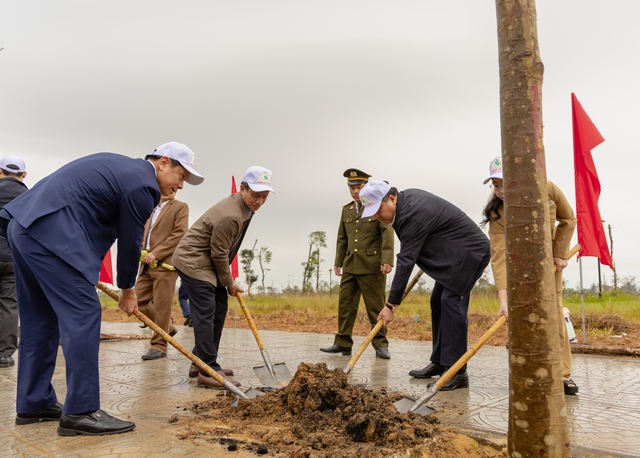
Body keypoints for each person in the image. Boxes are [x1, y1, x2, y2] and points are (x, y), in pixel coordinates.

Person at [0, 141, 203, 436]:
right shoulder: (143, 185)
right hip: (51, 235)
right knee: (83, 313)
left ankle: (34, 403)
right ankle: (82, 411)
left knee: (40, 321)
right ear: (162, 163)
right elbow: (131, 240)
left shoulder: (123, 168)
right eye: (181, 175)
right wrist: (128, 290)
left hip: (25, 229)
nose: (181, 185)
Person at [360, 180, 490, 391]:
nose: (376, 216)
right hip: (452, 255)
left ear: (391, 198)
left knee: (450, 302)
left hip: (469, 254)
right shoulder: (405, 205)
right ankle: (441, 361)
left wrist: (391, 305)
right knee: (437, 300)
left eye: (377, 209)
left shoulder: (411, 213)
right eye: (372, 212)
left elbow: (406, 260)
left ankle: (457, 372)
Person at [480, 156, 578, 395]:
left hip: (548, 267)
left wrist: (560, 253)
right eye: (495, 185)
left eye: (505, 183)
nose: (501, 190)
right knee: (523, 318)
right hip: (518, 272)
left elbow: (568, 218)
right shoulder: (498, 214)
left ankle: (562, 374)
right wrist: (503, 301)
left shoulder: (547, 189)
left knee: (553, 314)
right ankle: (528, 370)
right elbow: (499, 256)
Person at [172, 166, 274, 388]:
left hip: (208, 261)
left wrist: (226, 282)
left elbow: (222, 251)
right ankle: (208, 369)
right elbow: (219, 252)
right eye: (255, 195)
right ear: (242, 188)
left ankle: (200, 362)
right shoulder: (231, 214)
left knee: (219, 308)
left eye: (264, 197)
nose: (259, 201)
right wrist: (228, 282)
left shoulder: (243, 207)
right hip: (194, 261)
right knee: (206, 311)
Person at [320, 168, 394, 359]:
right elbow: (342, 237)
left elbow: (387, 231)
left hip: (372, 265)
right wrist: (338, 261)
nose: (355, 191)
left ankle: (380, 345)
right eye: (351, 187)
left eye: (359, 187)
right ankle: (342, 343)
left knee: (376, 307)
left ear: (366, 187)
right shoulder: (347, 210)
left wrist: (387, 259)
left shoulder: (376, 206)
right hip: (351, 265)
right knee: (345, 305)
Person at [136, 190, 189, 360]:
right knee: (136, 301)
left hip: (164, 264)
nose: (172, 188)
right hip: (145, 263)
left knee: (162, 307)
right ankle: (167, 328)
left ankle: (159, 346)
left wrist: (156, 253)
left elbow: (179, 234)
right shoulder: (150, 208)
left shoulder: (180, 207)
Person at [0, 156, 28, 369]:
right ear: (23, 175)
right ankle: (5, 354)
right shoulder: (29, 196)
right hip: (13, 256)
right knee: (9, 303)